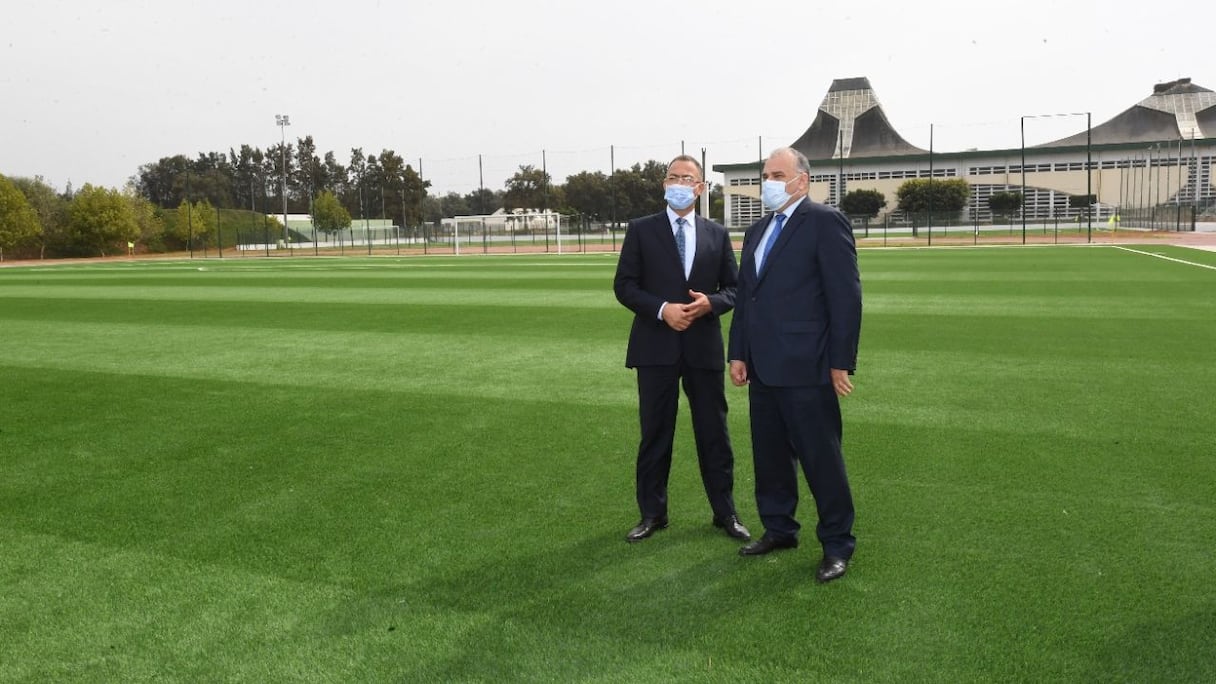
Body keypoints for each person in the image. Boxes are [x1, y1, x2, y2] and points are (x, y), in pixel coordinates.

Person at [728, 147, 862, 583]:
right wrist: (738, 352)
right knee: (769, 456)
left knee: (821, 457)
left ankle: (837, 543)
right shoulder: (756, 231)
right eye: (765, 174)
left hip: (808, 365)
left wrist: (840, 362)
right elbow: (748, 296)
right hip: (763, 366)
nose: (767, 180)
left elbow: (846, 297)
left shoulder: (824, 222)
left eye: (777, 173)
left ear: (801, 180)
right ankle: (779, 528)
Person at [613, 154, 750, 543]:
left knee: (714, 434)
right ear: (663, 184)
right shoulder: (641, 230)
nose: (679, 183)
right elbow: (624, 285)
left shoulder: (716, 234)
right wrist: (662, 310)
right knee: (655, 433)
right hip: (654, 349)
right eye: (673, 177)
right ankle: (653, 514)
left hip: (702, 348)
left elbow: (735, 289)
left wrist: (711, 303)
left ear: (701, 187)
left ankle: (725, 512)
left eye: (687, 178)